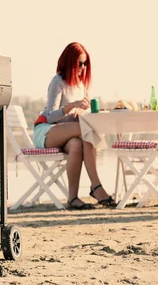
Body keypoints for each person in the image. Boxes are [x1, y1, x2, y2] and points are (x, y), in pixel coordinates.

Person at [33, 42, 116, 209]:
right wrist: (72, 106)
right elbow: (50, 117)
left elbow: (79, 115)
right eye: (80, 63)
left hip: (71, 134)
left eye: (85, 63)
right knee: (85, 130)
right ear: (70, 62)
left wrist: (81, 112)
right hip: (46, 131)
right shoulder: (58, 82)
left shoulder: (83, 84)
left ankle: (73, 198)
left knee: (77, 144)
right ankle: (96, 186)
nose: (83, 67)